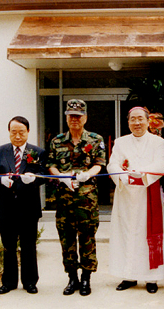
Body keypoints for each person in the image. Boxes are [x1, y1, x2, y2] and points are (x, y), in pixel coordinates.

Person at [107, 107, 164, 293]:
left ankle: (151, 278)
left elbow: (161, 164)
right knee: (126, 235)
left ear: (147, 121)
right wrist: (125, 177)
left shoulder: (158, 142)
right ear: (128, 122)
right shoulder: (120, 142)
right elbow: (112, 163)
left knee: (146, 236)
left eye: (140, 119)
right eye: (133, 119)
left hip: (147, 194)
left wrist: (142, 174)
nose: (137, 123)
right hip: (126, 195)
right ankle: (128, 275)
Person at [47, 99, 106, 296]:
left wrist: (88, 174)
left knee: (87, 239)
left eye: (78, 116)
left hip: (87, 200)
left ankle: (86, 279)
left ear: (85, 118)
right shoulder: (56, 141)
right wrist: (62, 177)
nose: (74, 119)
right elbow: (51, 164)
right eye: (71, 116)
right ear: (66, 118)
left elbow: (100, 163)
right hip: (64, 199)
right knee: (67, 239)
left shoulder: (95, 139)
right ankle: (72, 278)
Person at [0, 116, 46, 295]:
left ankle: (30, 281)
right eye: (14, 132)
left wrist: (34, 179)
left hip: (29, 206)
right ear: (9, 132)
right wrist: (0, 180)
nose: (18, 136)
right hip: (6, 206)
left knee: (29, 245)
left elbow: (44, 173)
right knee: (8, 246)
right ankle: (9, 282)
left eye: (21, 132)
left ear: (28, 132)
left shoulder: (38, 152)